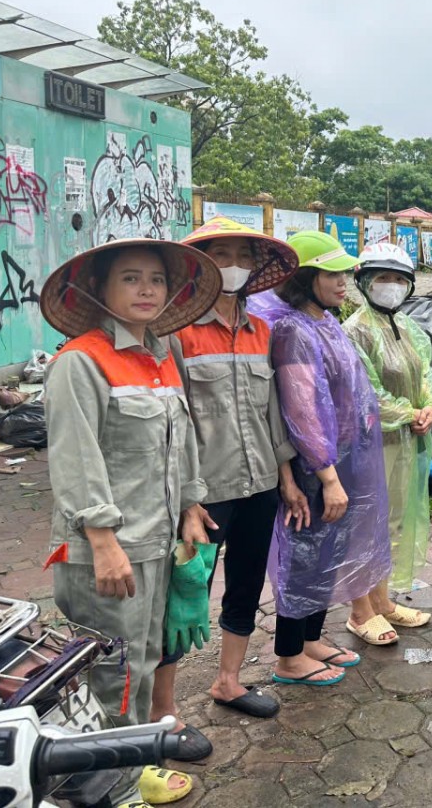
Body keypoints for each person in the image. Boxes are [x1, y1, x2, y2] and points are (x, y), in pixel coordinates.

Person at [41, 238, 221, 807]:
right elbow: (76, 458)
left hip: (156, 545)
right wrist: (102, 539)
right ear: (99, 289)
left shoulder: (162, 357)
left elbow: (181, 442)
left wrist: (192, 506)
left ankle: (131, 772)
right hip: (108, 551)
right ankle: (103, 790)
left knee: (141, 665)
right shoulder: (80, 362)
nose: (147, 290)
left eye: (156, 280)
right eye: (130, 279)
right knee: (107, 674)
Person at [148, 217, 301, 738]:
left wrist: (287, 476)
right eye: (221, 254)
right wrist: (188, 501)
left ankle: (229, 682)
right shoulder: (175, 332)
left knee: (246, 583)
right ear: (200, 266)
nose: (232, 264)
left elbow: (273, 412)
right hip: (203, 492)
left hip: (259, 483)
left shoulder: (263, 331)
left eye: (242, 254)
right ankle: (161, 709)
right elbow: (173, 421)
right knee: (185, 591)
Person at [250, 230, 394, 679]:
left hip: (341, 458)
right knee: (305, 558)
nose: (343, 281)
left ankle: (311, 640)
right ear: (305, 276)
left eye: (343, 272)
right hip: (317, 466)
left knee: (327, 555)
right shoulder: (295, 329)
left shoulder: (325, 321)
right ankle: (290, 656)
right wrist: (327, 476)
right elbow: (303, 410)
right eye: (331, 273)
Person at [343, 242, 432, 623]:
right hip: (371, 444)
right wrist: (410, 412)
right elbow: (366, 394)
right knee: (366, 524)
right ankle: (360, 612)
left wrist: (429, 406)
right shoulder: (356, 331)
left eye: (400, 279)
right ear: (365, 282)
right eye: (383, 278)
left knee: (393, 522)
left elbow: (428, 375)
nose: (392, 286)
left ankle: (383, 602)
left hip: (406, 440)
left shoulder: (406, 327)